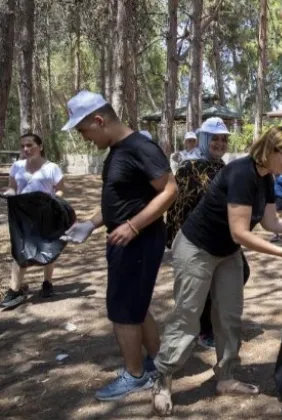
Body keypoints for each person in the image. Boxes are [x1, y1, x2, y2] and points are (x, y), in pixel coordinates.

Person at [151, 126, 282, 416]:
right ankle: (163, 378)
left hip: (226, 252)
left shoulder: (266, 177)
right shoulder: (243, 173)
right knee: (188, 314)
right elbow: (241, 233)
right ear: (271, 150)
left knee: (229, 315)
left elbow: (271, 223)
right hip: (197, 247)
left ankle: (226, 377)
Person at [60, 90, 178, 401]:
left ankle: (135, 375)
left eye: (84, 130)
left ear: (99, 120)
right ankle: (155, 362)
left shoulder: (140, 147)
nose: (84, 138)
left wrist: (133, 225)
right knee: (135, 305)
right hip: (126, 238)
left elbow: (169, 190)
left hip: (139, 241)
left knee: (124, 310)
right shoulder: (118, 151)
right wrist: (91, 224)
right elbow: (123, 201)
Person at [164, 117, 246, 350]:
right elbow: (177, 206)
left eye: (223, 139)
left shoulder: (224, 168)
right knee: (197, 288)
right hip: (195, 239)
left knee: (233, 278)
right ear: (204, 140)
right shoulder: (189, 168)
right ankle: (201, 330)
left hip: (221, 237)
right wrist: (176, 239)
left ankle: (210, 325)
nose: (220, 143)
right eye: (215, 139)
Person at [1, 133, 65, 308]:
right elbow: (13, 189)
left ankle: (47, 284)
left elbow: (59, 191)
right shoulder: (16, 167)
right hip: (22, 215)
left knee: (48, 248)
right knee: (19, 250)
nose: (25, 149)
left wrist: (53, 202)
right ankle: (14, 290)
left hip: (46, 213)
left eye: (30, 145)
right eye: (22, 146)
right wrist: (7, 194)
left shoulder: (52, 168)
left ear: (40, 146)